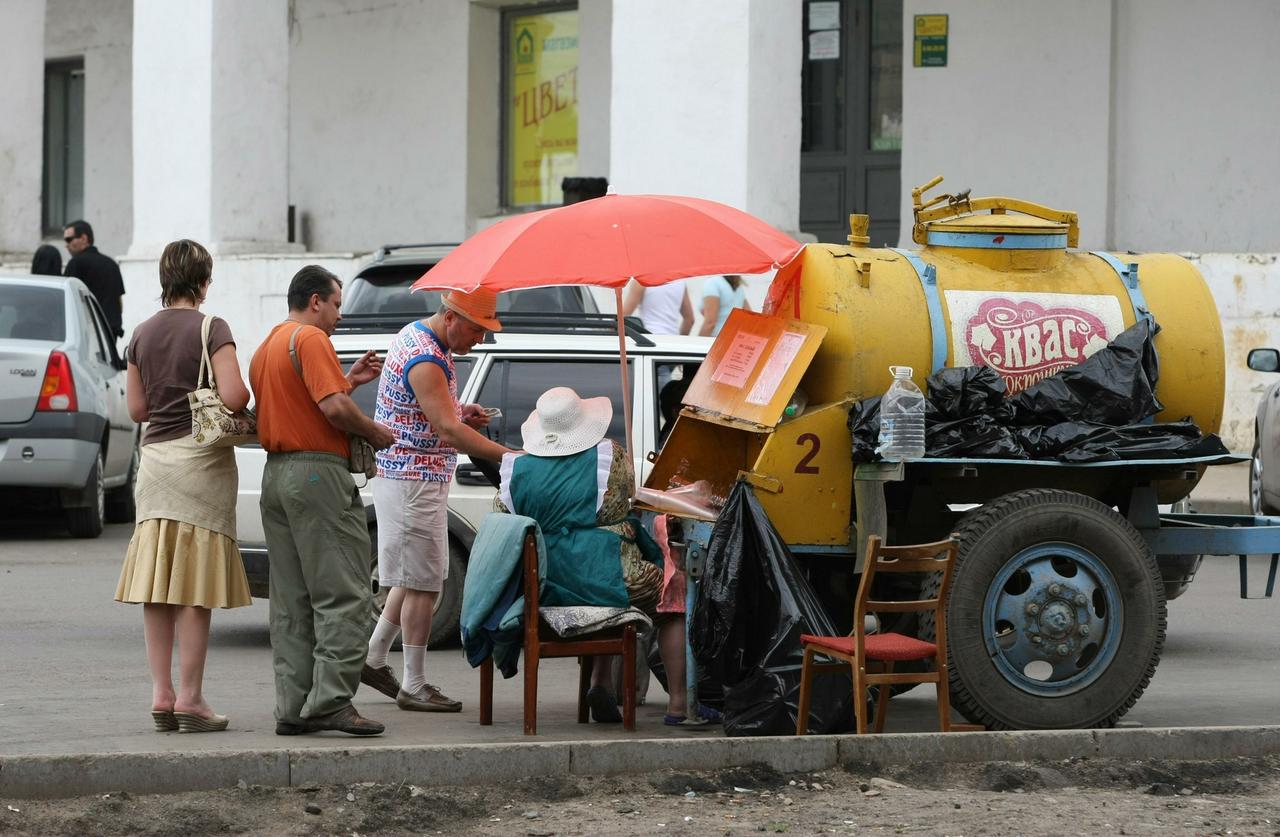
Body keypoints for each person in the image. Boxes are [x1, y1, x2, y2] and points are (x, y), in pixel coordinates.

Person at [494, 387, 702, 725]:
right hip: (604, 581)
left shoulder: (513, 468)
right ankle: (679, 704)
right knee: (670, 601)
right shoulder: (610, 457)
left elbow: (505, 519)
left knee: (599, 583)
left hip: (542, 586)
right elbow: (622, 506)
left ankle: (601, 681)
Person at [249, 265, 395, 737]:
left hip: (277, 475)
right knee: (345, 592)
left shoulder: (268, 345)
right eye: (336, 305)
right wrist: (374, 431)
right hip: (318, 476)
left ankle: (293, 708)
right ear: (316, 301)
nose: (337, 317)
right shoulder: (311, 340)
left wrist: (348, 381)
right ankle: (332, 701)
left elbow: (298, 405)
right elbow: (331, 410)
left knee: (292, 600)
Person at [114, 239, 253, 734]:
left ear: (163, 279)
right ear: (203, 281)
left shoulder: (141, 334)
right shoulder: (212, 327)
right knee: (194, 587)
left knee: (158, 583)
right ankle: (191, 698)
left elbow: (136, 410)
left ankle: (161, 694)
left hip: (154, 466)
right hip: (200, 466)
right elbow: (235, 395)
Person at [361, 289, 517, 713]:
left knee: (411, 580)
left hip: (410, 477)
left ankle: (374, 658)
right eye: (477, 329)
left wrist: (459, 410)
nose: (480, 339)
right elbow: (446, 431)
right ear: (451, 317)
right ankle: (414, 683)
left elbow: (430, 413)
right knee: (426, 585)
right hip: (414, 480)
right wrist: (509, 457)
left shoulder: (417, 338)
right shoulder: (427, 356)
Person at [63, 220, 126, 339]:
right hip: (110, 332)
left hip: (87, 333)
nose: (66, 244)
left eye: (69, 239)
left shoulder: (75, 264)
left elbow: (67, 301)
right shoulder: (111, 264)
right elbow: (119, 303)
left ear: (83, 238)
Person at [621, 279, 693, 336]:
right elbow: (690, 320)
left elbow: (623, 316)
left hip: (649, 340)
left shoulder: (641, 280)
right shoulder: (680, 282)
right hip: (673, 340)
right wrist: (679, 340)